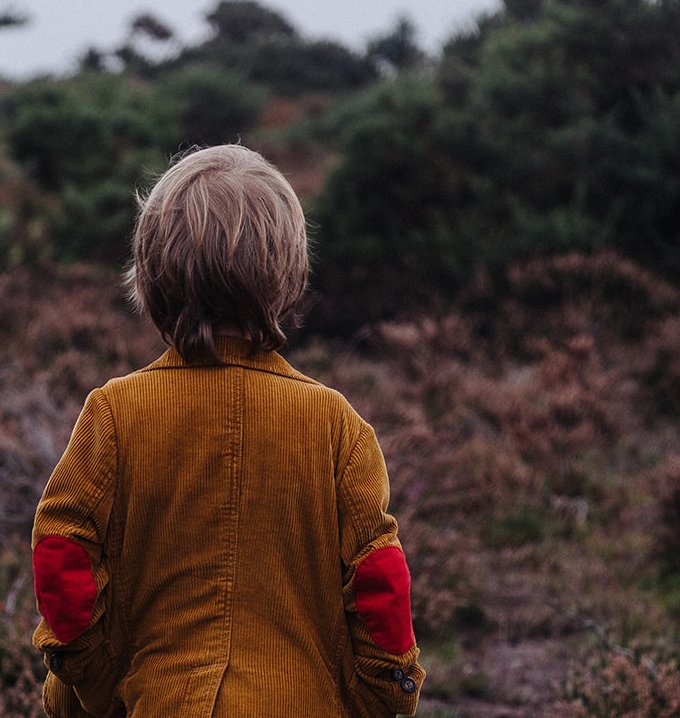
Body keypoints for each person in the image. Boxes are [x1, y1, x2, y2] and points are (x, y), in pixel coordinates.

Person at [30, 144, 425, 717]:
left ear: (149, 272)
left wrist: (89, 681)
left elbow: (63, 556)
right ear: (288, 272)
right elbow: (379, 585)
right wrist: (383, 696)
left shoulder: (113, 413)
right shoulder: (337, 424)